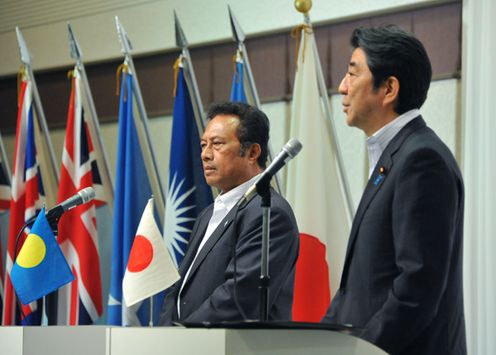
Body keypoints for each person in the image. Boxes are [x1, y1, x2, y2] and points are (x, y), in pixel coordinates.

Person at [321, 25, 466, 355]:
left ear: (388, 89)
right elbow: (356, 290)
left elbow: (417, 287)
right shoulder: (397, 156)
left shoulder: (421, 159)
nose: (342, 88)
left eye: (352, 74)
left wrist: (360, 350)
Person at [159, 102, 299, 325]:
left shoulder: (269, 213)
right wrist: (166, 335)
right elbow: (178, 288)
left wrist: (183, 336)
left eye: (217, 144)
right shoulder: (208, 214)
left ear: (252, 152)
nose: (205, 154)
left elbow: (239, 298)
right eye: (204, 145)